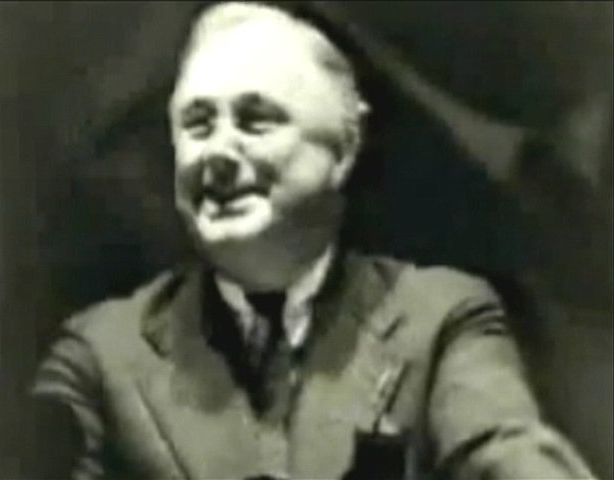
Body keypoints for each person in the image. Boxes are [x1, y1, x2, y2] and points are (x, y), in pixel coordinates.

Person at [31, 2, 596, 479]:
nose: (218, 153)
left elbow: (503, 446)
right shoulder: (108, 324)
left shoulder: (442, 315)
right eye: (199, 125)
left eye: (255, 122)